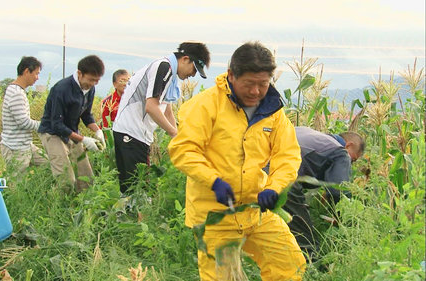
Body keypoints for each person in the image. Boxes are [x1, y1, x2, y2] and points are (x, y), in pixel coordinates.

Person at [168, 42, 305, 281]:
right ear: (231, 75)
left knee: (289, 264)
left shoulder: (273, 111)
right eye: (249, 84)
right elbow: (183, 150)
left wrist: (274, 187)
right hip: (215, 213)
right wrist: (214, 181)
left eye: (262, 84)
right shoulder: (204, 105)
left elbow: (287, 155)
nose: (256, 92)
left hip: (256, 209)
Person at [112, 42, 210, 195]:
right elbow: (151, 107)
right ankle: (133, 218)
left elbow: (166, 108)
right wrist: (173, 134)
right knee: (139, 190)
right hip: (132, 133)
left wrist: (177, 136)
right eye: (194, 69)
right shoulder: (164, 67)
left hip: (134, 133)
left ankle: (126, 217)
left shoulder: (170, 72)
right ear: (185, 59)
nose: (193, 75)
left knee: (133, 188)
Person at [282, 126, 365, 261]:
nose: (350, 164)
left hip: (251, 172)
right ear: (349, 145)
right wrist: (346, 220)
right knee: (307, 242)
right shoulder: (340, 151)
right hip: (281, 178)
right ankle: (314, 270)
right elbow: (339, 191)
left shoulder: (307, 131)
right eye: (353, 160)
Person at [38, 55, 106, 193]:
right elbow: (56, 124)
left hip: (72, 132)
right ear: (80, 73)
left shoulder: (90, 89)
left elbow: (86, 115)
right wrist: (84, 140)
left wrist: (98, 131)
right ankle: (59, 210)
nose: (93, 83)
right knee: (66, 181)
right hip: (53, 134)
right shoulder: (61, 89)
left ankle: (81, 210)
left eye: (97, 80)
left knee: (86, 178)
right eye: (91, 79)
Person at [0, 56, 48, 175]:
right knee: (17, 184)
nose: (37, 78)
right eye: (36, 74)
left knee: (49, 163)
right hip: (15, 148)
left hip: (25, 145)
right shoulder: (17, 93)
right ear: (27, 71)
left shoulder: (16, 90)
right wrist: (46, 126)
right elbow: (23, 122)